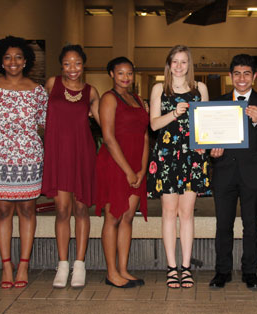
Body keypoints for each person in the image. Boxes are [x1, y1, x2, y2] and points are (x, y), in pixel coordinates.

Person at [209, 54, 257, 290]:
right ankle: (222, 271)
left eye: (247, 73)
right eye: (236, 73)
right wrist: (212, 151)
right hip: (224, 171)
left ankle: (250, 272)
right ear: (230, 76)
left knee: (251, 225)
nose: (241, 78)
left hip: (252, 173)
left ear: (255, 76)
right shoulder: (218, 103)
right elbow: (209, 138)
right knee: (223, 225)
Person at [0, 35, 48, 289]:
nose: (13, 62)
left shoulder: (37, 90)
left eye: (18, 57)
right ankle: (6, 265)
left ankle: (23, 263)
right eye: (8, 57)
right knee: (2, 211)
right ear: (1, 60)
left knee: (26, 210)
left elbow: (46, 124)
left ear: (26, 61)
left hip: (29, 158)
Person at [147, 45, 210, 289]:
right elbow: (153, 125)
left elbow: (206, 123)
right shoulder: (159, 89)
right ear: (168, 64)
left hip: (192, 156)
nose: (179, 66)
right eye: (175, 61)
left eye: (184, 62)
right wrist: (174, 112)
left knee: (187, 213)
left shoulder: (200, 89)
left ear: (189, 65)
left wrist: (206, 143)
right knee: (168, 213)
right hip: (167, 155)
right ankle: (171, 267)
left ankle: (186, 267)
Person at [42, 45, 100, 288]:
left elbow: (105, 120)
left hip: (82, 153)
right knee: (62, 210)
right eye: (67, 63)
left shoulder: (91, 91)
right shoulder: (51, 84)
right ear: (61, 65)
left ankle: (80, 264)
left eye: (77, 63)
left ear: (83, 65)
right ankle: (62, 264)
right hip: (58, 154)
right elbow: (36, 115)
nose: (72, 68)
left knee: (81, 209)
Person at [96, 57, 149, 289]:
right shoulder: (108, 98)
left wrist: (142, 168)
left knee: (128, 217)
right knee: (113, 216)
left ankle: (123, 269)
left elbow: (145, 135)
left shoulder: (137, 98)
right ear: (111, 74)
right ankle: (111, 272)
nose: (125, 77)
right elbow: (108, 137)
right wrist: (128, 170)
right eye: (120, 73)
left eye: (129, 73)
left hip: (137, 166)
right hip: (115, 165)